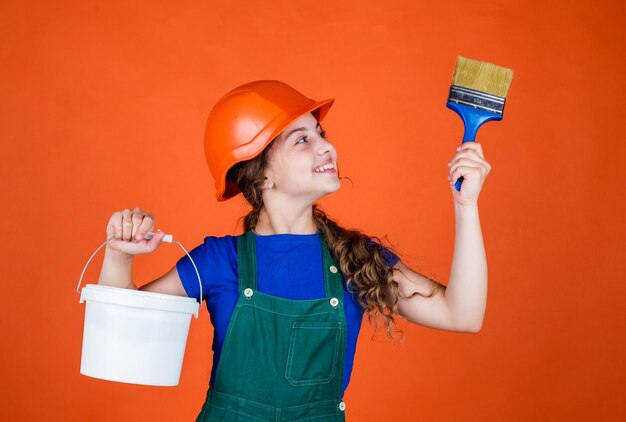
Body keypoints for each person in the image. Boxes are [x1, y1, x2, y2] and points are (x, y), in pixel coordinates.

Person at [97, 80, 489, 421]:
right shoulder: (219, 262)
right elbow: (119, 329)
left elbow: (463, 314)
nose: (327, 148)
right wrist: (119, 254)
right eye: (303, 139)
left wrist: (466, 205)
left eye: (321, 133)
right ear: (261, 173)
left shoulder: (356, 260)